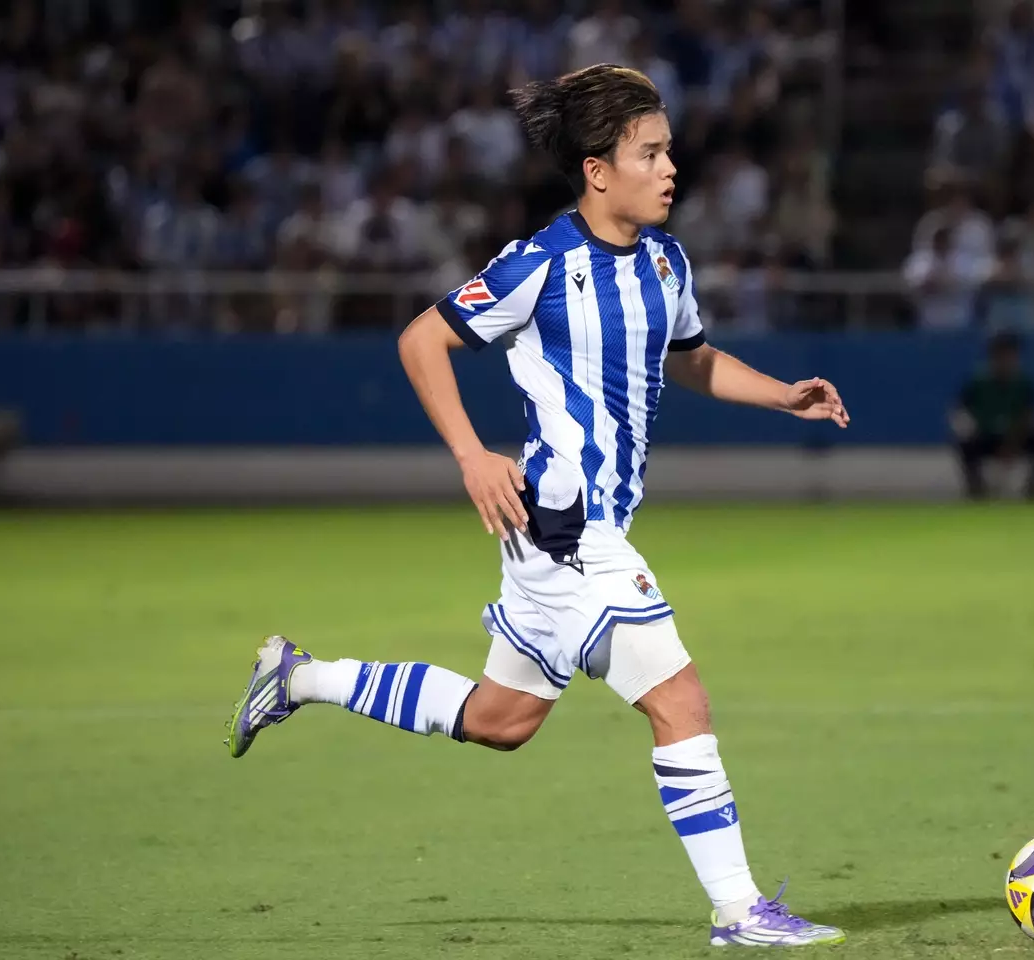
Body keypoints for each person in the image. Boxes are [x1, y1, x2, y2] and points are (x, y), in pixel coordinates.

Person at [225, 64, 850, 948]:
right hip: (567, 528)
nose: (671, 167)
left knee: (501, 720)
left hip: (564, 534)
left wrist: (783, 395)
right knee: (682, 703)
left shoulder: (665, 260)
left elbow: (692, 357)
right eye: (650, 153)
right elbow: (422, 339)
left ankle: (299, 678)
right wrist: (471, 455)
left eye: (669, 150)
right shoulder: (541, 264)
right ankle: (740, 911)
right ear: (598, 170)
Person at [950, 332, 1034, 500]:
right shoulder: (977, 383)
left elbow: (1029, 416)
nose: (1005, 361)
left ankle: (1033, 492)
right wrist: (970, 430)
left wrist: (1012, 445)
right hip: (984, 436)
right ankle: (977, 492)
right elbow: (961, 414)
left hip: (1015, 436)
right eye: (1000, 356)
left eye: (1010, 356)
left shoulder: (1025, 384)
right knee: (965, 445)